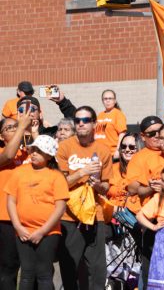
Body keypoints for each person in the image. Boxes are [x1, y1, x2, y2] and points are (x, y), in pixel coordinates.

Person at [56, 106, 113, 290]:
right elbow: (60, 183)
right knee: (69, 268)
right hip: (69, 216)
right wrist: (83, 172)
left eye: (86, 120)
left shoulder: (103, 150)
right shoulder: (65, 147)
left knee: (97, 270)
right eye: (78, 120)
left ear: (94, 124)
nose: (81, 124)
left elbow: (106, 188)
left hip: (95, 215)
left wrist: (96, 184)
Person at [5, 135, 68, 290]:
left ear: (49, 155)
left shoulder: (56, 176)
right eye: (33, 149)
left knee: (44, 273)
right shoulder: (19, 172)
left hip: (48, 233)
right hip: (23, 231)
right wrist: (18, 227)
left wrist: (42, 231)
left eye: (39, 151)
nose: (34, 153)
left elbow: (60, 208)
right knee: (26, 273)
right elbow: (11, 201)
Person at [125, 116, 163, 288]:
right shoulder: (139, 158)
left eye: (160, 131)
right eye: (152, 133)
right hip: (151, 217)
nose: (157, 135)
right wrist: (151, 188)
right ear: (143, 136)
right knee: (150, 264)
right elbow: (133, 188)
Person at [0, 114, 33, 290]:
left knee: (34, 269)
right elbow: (9, 155)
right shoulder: (2, 153)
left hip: (33, 219)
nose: (15, 129)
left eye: (16, 126)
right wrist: (21, 127)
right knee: (8, 269)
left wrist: (33, 130)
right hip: (6, 220)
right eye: (10, 128)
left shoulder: (30, 152)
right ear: (0, 136)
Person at [94, 89, 127, 159]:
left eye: (110, 98)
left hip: (112, 153)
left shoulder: (118, 114)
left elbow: (122, 134)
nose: (108, 101)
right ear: (102, 101)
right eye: (105, 99)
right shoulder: (100, 115)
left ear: (114, 101)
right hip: (99, 153)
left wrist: (118, 150)